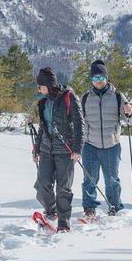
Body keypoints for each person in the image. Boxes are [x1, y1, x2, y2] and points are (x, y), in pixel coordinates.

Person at [80, 59, 132, 219]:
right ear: (92, 80)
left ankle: (115, 206)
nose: (98, 81)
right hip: (90, 146)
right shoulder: (85, 98)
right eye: (95, 78)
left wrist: (129, 113)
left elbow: (131, 121)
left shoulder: (118, 96)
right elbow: (79, 123)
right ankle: (89, 208)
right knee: (89, 179)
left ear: (106, 77)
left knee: (112, 180)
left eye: (101, 77)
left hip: (112, 145)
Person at [32, 67, 84, 231]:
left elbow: (79, 124)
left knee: (63, 188)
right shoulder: (44, 102)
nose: (39, 89)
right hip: (47, 149)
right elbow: (42, 127)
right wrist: (37, 148)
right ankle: (50, 212)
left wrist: (77, 149)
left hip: (65, 151)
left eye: (40, 85)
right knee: (42, 184)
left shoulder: (69, 97)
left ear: (47, 85)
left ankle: (63, 222)